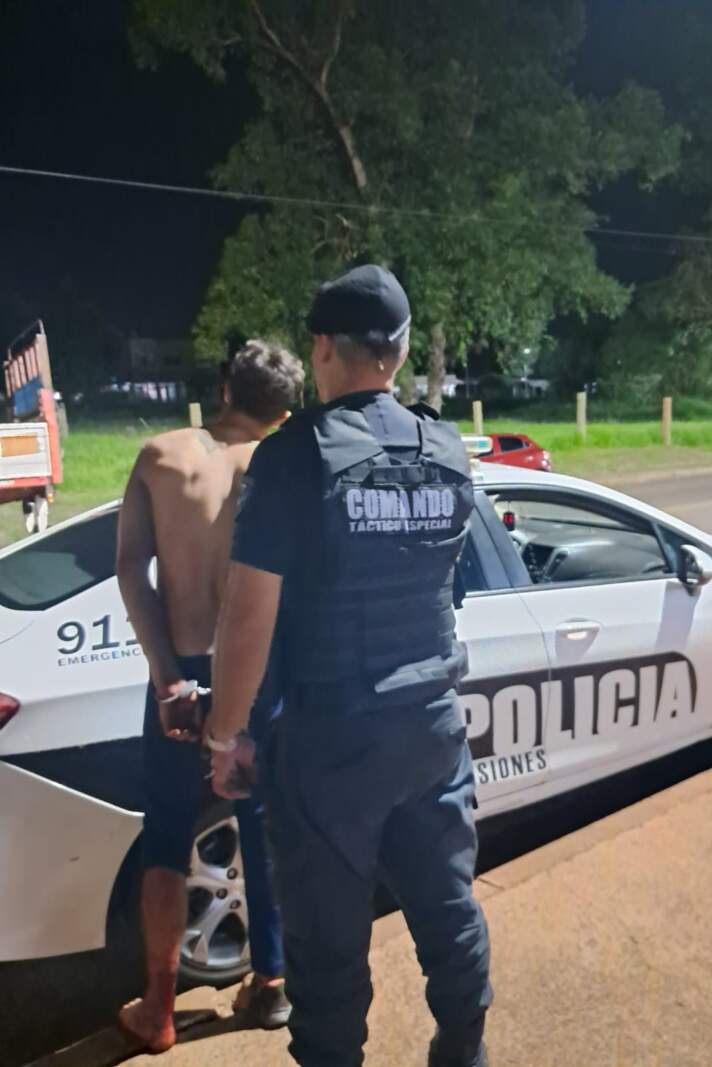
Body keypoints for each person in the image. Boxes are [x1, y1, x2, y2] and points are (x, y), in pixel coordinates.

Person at [205, 265, 492, 1067]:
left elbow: (248, 615)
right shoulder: (447, 447)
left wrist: (227, 735)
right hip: (432, 728)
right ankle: (463, 1049)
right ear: (397, 353)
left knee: (328, 954)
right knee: (448, 909)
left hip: (332, 740)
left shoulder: (294, 457)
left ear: (324, 347)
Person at [116, 339, 305, 1053]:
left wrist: (167, 673)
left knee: (165, 836)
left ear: (224, 386)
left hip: (180, 664)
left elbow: (131, 570)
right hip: (255, 669)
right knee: (262, 824)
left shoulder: (160, 456)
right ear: (284, 410)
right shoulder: (284, 467)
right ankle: (271, 984)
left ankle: (159, 1007)